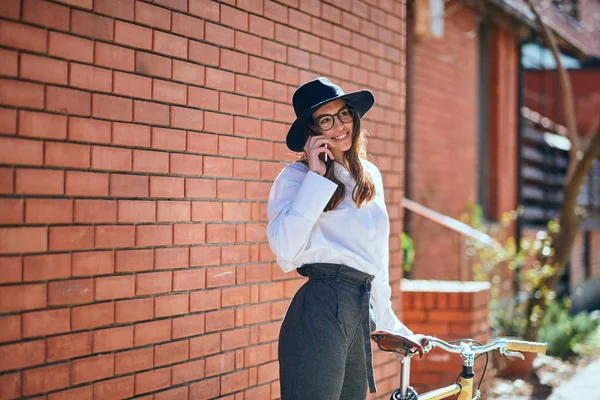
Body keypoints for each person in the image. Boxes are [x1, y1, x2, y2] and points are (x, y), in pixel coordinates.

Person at [266, 77, 428, 400]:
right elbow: (284, 253)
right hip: (320, 307)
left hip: (360, 310)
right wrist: (316, 176)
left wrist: (393, 327)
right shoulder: (296, 179)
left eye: (343, 114)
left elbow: (376, 263)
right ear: (311, 133)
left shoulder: (370, 177)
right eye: (326, 120)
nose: (340, 126)